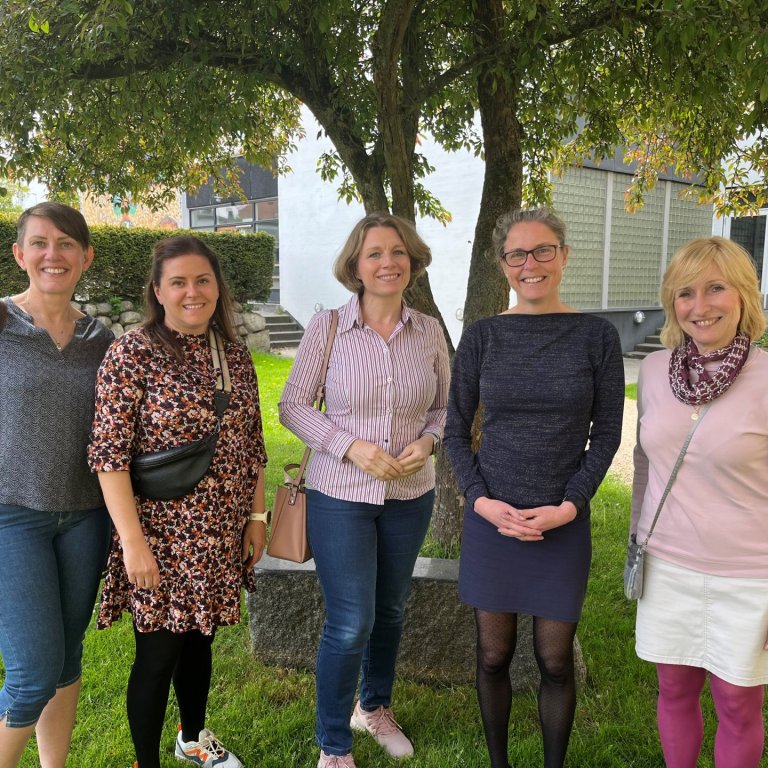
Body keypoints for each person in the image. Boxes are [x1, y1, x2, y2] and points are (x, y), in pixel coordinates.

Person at [444, 207, 624, 768]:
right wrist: (481, 502)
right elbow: (454, 431)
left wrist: (570, 506)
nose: (531, 264)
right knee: (492, 656)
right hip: (492, 521)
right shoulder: (482, 336)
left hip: (561, 523)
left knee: (555, 661)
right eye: (517, 254)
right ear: (503, 264)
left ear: (564, 255)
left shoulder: (596, 336)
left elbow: (607, 433)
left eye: (543, 250)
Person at [87, 235, 267, 768]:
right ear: (158, 291)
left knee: (200, 640)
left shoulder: (233, 354)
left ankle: (192, 739)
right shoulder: (133, 353)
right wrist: (133, 544)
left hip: (219, 532)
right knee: (157, 653)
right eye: (179, 282)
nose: (193, 292)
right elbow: (109, 456)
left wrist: (256, 517)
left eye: (203, 280)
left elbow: (252, 443)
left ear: (218, 287)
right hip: (160, 536)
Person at [279, 213, 450, 768]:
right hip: (340, 495)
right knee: (351, 621)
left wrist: (428, 442)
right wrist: (350, 446)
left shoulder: (428, 332)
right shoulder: (328, 326)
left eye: (398, 252)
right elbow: (292, 406)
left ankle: (372, 707)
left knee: (391, 609)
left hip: (411, 494)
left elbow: (445, 408)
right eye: (374, 253)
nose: (387, 262)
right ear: (355, 265)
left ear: (413, 262)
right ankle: (333, 745)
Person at [630, 236, 768, 768]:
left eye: (715, 288)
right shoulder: (653, 371)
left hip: (749, 574)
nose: (700, 305)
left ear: (743, 296)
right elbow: (645, 463)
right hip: (668, 565)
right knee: (673, 689)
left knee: (737, 703)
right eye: (685, 292)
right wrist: (636, 543)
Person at [0, 202, 114, 767]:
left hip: (85, 517)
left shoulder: (101, 338)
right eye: (40, 243)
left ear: (85, 256)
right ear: (20, 254)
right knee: (31, 674)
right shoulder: (1, 323)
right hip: (12, 515)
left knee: (67, 661)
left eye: (67, 243)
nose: (54, 254)